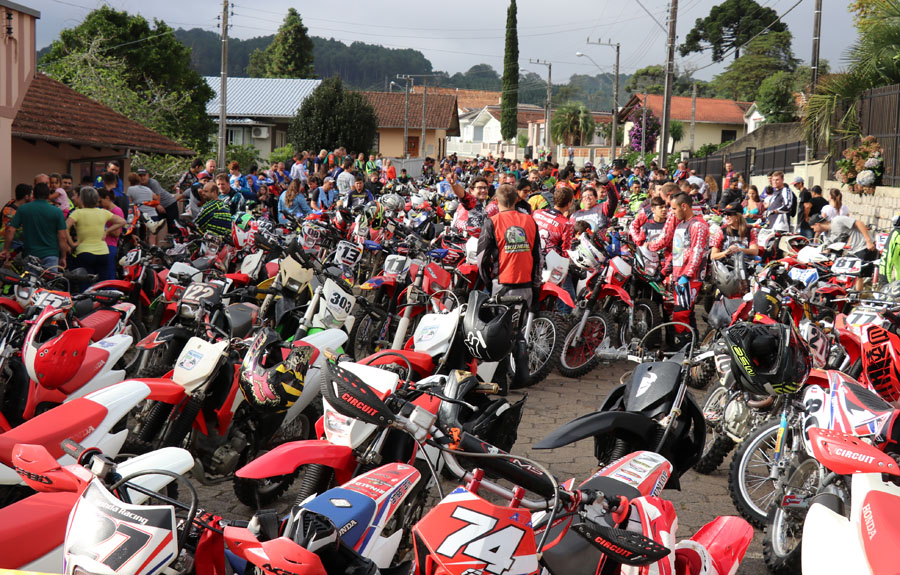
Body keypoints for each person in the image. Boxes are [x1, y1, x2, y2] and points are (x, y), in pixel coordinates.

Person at [476, 183, 542, 394]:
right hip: (526, 286)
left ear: (495, 202)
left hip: (502, 284)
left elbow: (482, 258)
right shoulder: (530, 221)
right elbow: (538, 257)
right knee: (517, 329)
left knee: (500, 333)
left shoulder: (492, 222)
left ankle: (500, 382)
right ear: (516, 200)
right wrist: (536, 285)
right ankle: (522, 374)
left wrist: (487, 281)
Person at [647, 192, 709, 347]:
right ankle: (693, 349)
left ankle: (683, 351)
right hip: (678, 277)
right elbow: (677, 254)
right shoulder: (681, 225)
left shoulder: (698, 225)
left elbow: (697, 254)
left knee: (680, 315)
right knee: (687, 315)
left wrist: (686, 277)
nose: (671, 212)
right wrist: (664, 273)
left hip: (690, 279)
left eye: (674, 209)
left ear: (684, 206)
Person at [66, 187, 126, 285]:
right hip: (103, 252)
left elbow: (65, 227)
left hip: (85, 252)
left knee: (85, 285)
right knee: (103, 284)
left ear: (82, 199)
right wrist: (106, 231)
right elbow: (122, 221)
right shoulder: (103, 212)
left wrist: (72, 243)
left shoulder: (78, 213)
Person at [2, 183, 68, 269]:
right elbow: (62, 236)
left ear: (34, 194)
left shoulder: (23, 209)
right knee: (50, 281)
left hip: (30, 255)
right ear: (48, 195)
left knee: (30, 281)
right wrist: (63, 257)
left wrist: (6, 250)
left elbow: (11, 230)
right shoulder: (57, 212)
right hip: (51, 254)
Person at [810, 212, 876, 291]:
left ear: (817, 224)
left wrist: (868, 241)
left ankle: (857, 297)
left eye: (813, 228)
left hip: (863, 246)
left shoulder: (838, 220)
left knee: (858, 275)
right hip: (851, 251)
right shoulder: (827, 235)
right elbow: (827, 249)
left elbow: (859, 223)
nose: (814, 231)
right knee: (842, 273)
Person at [137, 168, 180, 237]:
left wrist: (157, 205)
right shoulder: (137, 185)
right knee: (153, 227)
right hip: (154, 207)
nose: (142, 178)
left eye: (144, 175)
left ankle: (179, 243)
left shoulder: (153, 183)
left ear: (148, 175)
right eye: (140, 176)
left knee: (174, 226)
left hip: (168, 204)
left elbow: (157, 199)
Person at [126, 172, 161, 244]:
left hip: (141, 217)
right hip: (153, 215)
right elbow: (156, 198)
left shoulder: (130, 189)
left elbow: (129, 204)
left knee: (140, 238)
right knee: (152, 237)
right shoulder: (147, 189)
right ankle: (153, 253)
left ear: (130, 181)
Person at [98, 188, 124, 280]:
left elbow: (117, 232)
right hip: (101, 245)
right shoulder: (103, 210)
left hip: (110, 245)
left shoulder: (116, 211)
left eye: (100, 201)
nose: (99, 204)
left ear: (107, 198)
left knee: (109, 274)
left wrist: (104, 230)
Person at [1, 184, 31, 251]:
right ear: (26, 197)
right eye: (31, 194)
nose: (32, 197)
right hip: (9, 247)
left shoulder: (10, 204)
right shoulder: (10, 212)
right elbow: (8, 231)